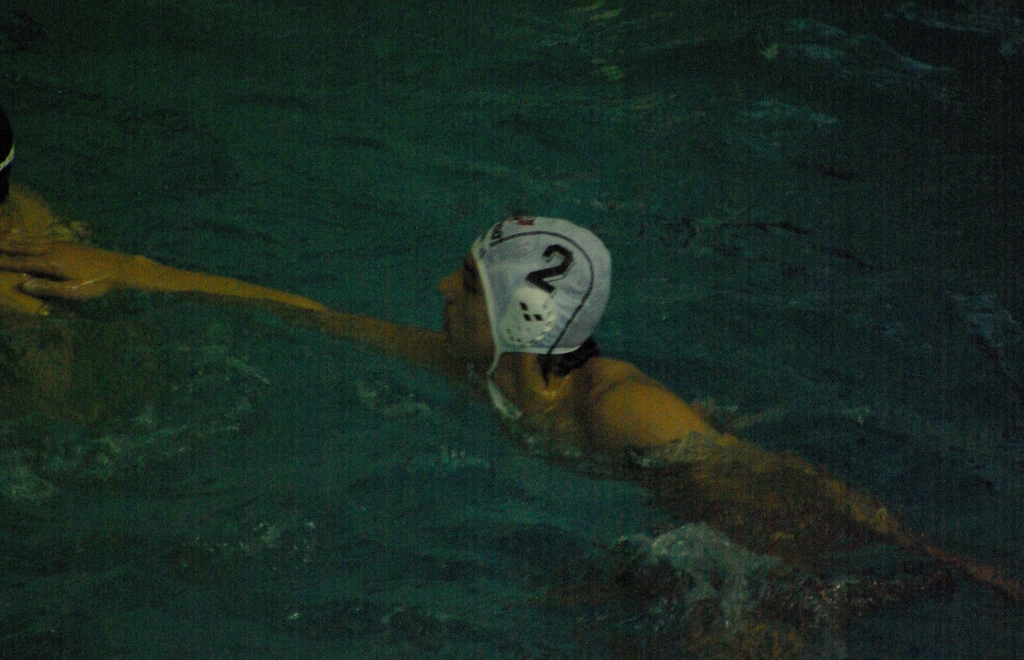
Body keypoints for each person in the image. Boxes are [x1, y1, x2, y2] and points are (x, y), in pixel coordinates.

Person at [0, 113, 1020, 603]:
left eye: (463, 285)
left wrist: (947, 561)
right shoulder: (481, 370)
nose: (438, 290)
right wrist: (131, 269)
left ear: (517, 325)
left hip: (746, 550)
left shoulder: (624, 411)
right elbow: (312, 315)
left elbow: (779, 485)